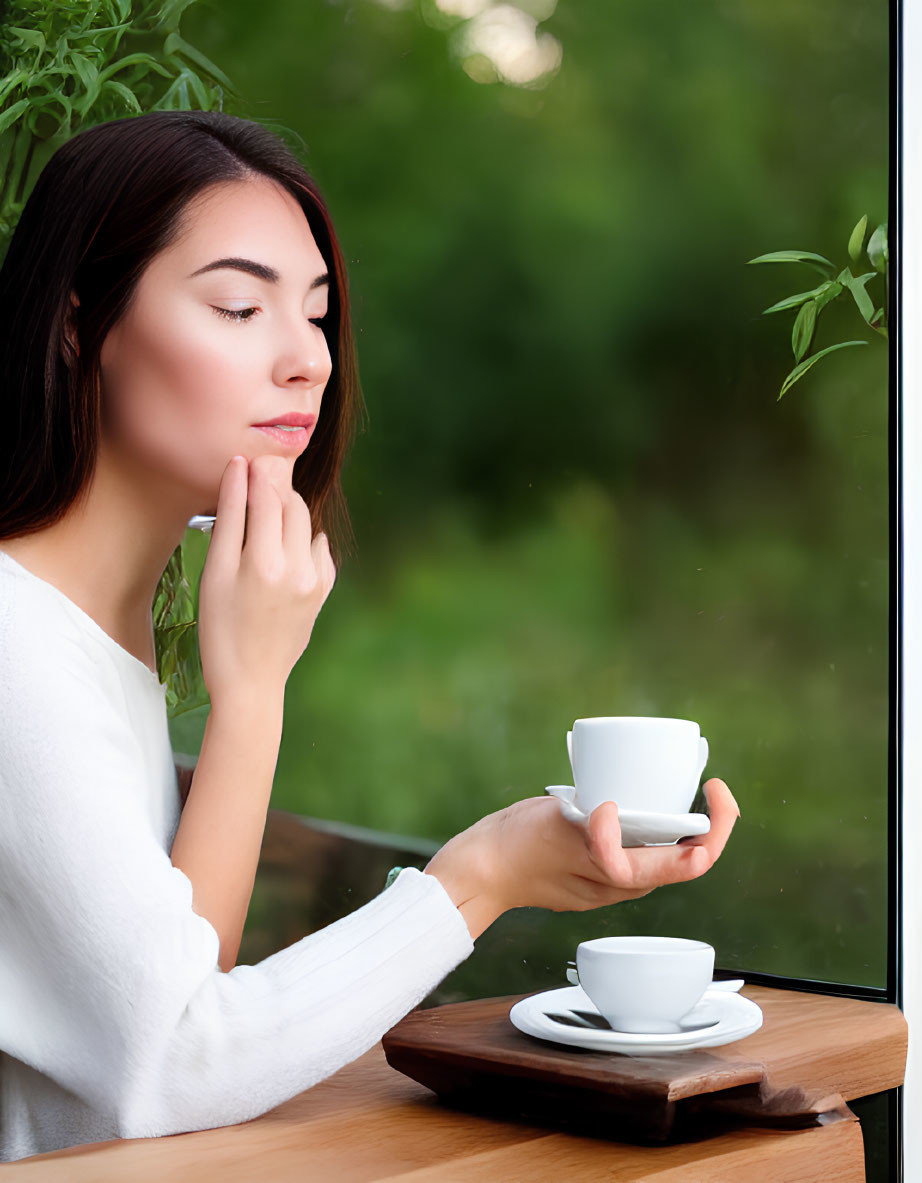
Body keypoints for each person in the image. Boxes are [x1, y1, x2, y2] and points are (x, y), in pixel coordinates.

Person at [0, 109, 741, 1162]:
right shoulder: (15, 648)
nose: (305, 358)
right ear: (79, 322)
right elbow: (170, 1067)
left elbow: (177, 983)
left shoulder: (94, 634)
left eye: (315, 311)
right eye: (238, 304)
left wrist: (254, 686)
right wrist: (479, 876)